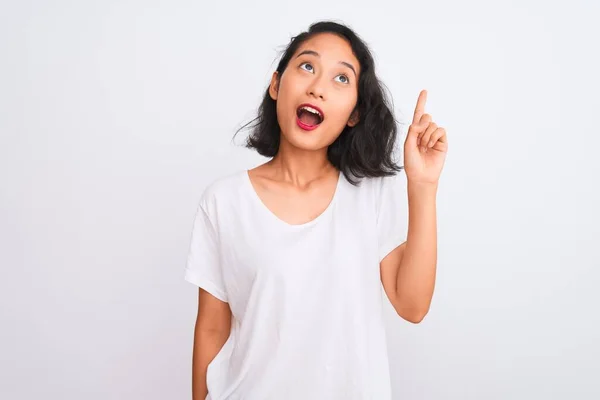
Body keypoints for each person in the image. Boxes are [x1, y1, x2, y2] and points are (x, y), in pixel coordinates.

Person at [184, 20, 448, 400]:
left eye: (341, 79)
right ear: (276, 85)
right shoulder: (224, 201)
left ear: (354, 113)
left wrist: (422, 187)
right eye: (307, 66)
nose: (318, 87)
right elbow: (210, 329)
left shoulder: (368, 194)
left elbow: (413, 305)